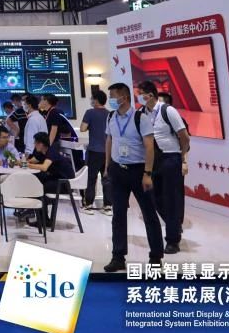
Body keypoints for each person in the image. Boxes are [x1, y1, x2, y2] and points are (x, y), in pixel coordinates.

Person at [102, 83, 164, 272]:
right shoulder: (111, 117)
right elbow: (109, 140)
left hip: (138, 171)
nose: (111, 100)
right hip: (117, 170)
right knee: (118, 215)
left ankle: (155, 257)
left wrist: (147, 173)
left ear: (124, 97)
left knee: (149, 214)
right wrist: (107, 166)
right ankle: (118, 256)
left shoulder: (140, 118)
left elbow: (149, 147)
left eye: (113, 96)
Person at [138, 80, 190, 255]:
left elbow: (184, 136)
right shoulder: (141, 113)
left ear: (150, 95)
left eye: (141, 94)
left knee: (171, 200)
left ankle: (173, 240)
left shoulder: (167, 110)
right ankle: (174, 224)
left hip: (170, 158)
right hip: (151, 160)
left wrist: (182, 157)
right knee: (155, 198)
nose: (139, 97)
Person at [79, 90, 109, 212]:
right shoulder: (110, 114)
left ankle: (89, 204)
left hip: (94, 151)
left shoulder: (90, 112)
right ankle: (108, 206)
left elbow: (82, 128)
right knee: (107, 179)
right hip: (108, 151)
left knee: (91, 179)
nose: (91, 101)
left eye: (92, 98)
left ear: (96, 100)